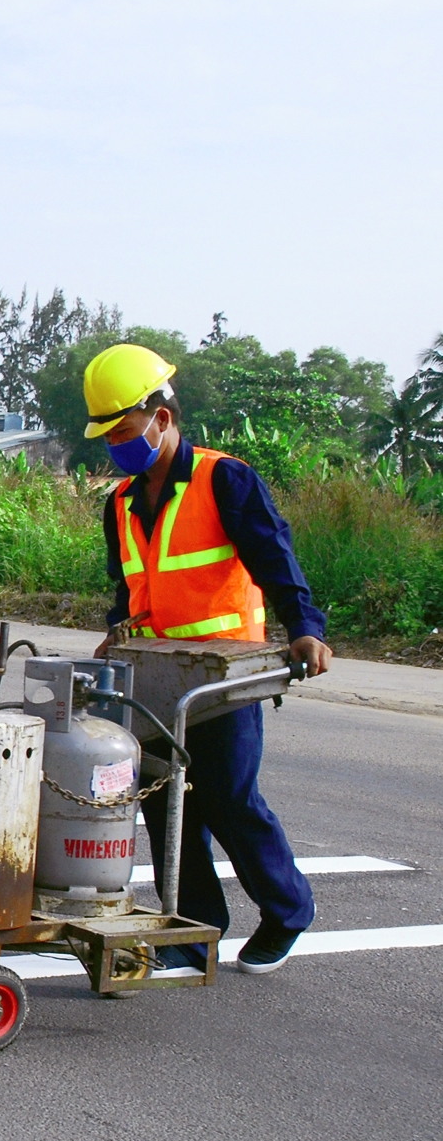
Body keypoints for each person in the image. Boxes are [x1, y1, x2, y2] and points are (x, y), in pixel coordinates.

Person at [84, 342, 333, 976]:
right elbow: (129, 588)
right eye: (108, 435)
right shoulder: (119, 504)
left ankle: (288, 910)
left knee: (227, 797)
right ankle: (196, 932)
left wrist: (305, 628)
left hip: (225, 675)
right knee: (166, 802)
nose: (117, 445)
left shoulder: (224, 479)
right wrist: (118, 631)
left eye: (125, 430)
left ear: (162, 418)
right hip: (155, 678)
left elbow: (275, 560)